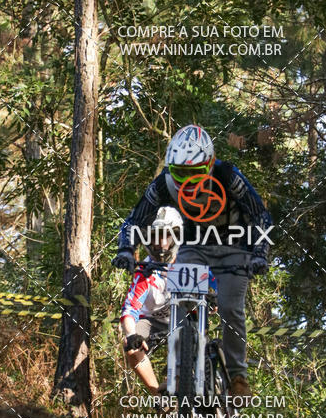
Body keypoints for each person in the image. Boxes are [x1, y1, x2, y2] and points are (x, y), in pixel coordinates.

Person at [112, 125, 272, 396]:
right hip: (194, 245)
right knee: (180, 297)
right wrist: (126, 249)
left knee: (230, 307)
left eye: (195, 172)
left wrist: (260, 252)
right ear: (171, 167)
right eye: (180, 172)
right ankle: (181, 370)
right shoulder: (164, 183)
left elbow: (260, 215)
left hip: (235, 246)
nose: (188, 180)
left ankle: (238, 377)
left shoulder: (228, 175)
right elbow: (135, 219)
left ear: (209, 163)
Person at [119, 206, 183, 396]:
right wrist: (131, 334)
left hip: (182, 318)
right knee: (130, 347)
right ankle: (159, 398)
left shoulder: (189, 261)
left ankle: (180, 379)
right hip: (152, 320)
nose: (159, 243)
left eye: (166, 235)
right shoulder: (145, 271)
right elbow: (130, 309)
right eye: (154, 236)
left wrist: (216, 296)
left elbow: (214, 280)